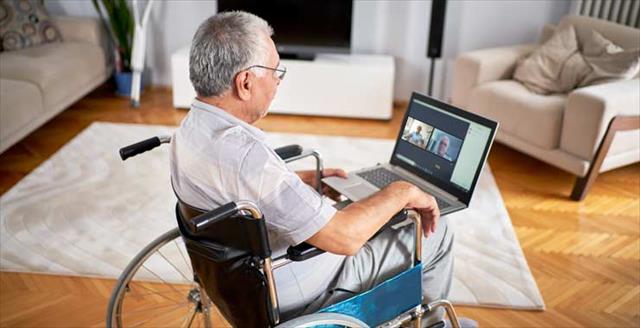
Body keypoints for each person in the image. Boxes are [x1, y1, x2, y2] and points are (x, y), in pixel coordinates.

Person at [170, 11, 454, 325]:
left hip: (236, 280)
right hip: (293, 284)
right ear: (245, 83)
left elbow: (232, 186)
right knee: (436, 233)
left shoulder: (188, 130)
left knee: (366, 207)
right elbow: (344, 238)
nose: (278, 79)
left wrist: (294, 181)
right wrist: (401, 191)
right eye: (274, 69)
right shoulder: (247, 155)